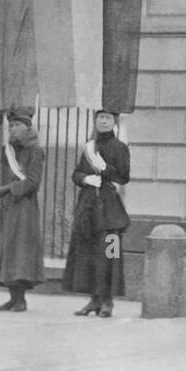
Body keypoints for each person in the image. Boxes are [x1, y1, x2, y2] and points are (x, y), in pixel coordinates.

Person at [0, 107, 45, 312]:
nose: (13, 129)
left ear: (28, 128)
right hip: (4, 206)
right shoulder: (8, 150)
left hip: (22, 207)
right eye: (11, 125)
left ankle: (21, 299)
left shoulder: (35, 151)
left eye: (17, 125)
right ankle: (13, 298)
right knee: (5, 250)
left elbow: (33, 182)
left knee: (19, 252)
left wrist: (9, 189)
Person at [64, 108, 131, 317]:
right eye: (100, 118)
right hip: (89, 208)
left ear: (114, 122)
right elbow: (76, 173)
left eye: (108, 118)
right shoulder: (89, 147)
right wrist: (85, 179)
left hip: (110, 212)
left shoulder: (120, 148)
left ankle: (108, 301)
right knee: (89, 255)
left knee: (110, 254)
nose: (103, 122)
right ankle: (94, 300)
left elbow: (123, 177)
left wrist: (105, 169)